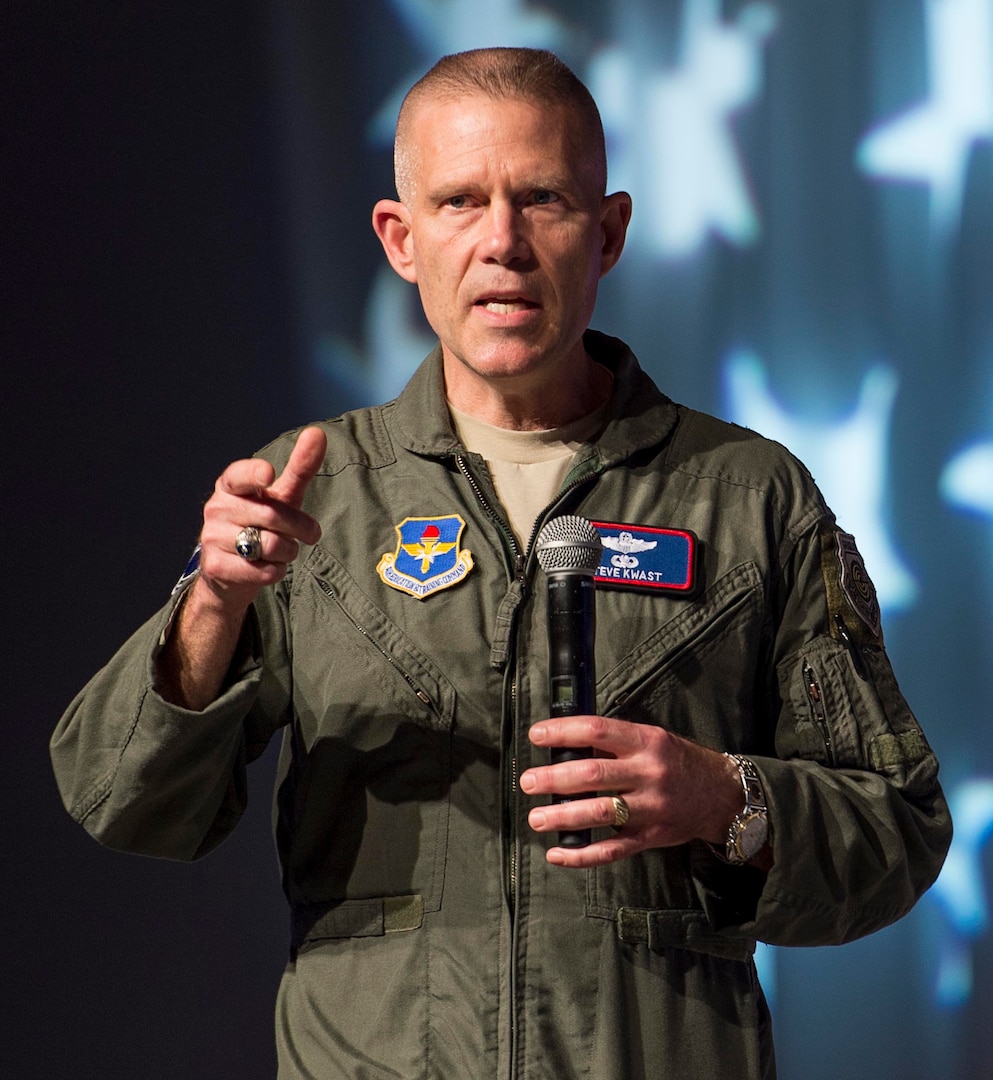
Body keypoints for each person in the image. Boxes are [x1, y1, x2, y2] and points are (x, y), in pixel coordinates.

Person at [51, 47, 951, 1080]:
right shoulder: (308, 496)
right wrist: (211, 604)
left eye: (544, 199)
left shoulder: (748, 496)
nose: (502, 244)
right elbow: (117, 800)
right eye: (459, 202)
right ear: (400, 237)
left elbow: (898, 830)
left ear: (606, 232)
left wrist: (723, 797)